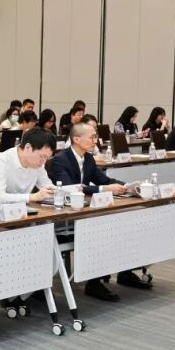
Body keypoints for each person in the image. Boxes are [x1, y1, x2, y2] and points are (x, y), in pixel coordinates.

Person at [50, 123, 146, 301]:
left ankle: (125, 272)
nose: (96, 140)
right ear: (76, 139)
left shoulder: (88, 158)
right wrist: (104, 189)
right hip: (63, 217)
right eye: (92, 137)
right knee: (103, 228)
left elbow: (104, 180)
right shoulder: (60, 160)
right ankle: (93, 282)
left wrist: (127, 186)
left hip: (84, 212)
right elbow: (71, 188)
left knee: (123, 223)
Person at [0, 127, 55, 204]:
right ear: (28, 148)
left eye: (47, 158)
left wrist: (56, 192)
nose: (43, 162)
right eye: (42, 156)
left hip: (22, 209)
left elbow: (47, 187)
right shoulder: (1, 161)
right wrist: (34, 197)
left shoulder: (38, 164)